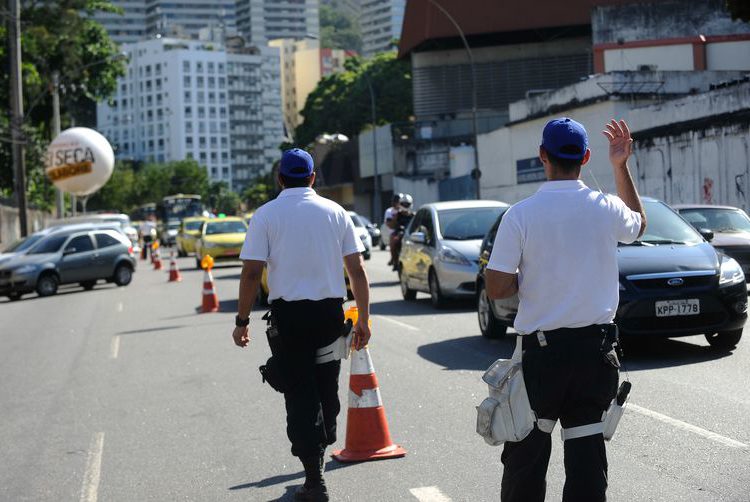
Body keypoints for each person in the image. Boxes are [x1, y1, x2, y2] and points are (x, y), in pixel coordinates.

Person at [485, 118, 646, 502]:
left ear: (543, 155)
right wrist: (620, 167)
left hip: (542, 356)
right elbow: (638, 226)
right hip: (595, 353)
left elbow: (495, 288)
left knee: (526, 460)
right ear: (586, 157)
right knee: (588, 462)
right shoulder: (606, 207)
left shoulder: (520, 215)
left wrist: (534, 280)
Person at [232, 148, 372, 502]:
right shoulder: (336, 212)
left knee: (299, 393)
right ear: (313, 178)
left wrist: (242, 321)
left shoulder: (266, 215)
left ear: (280, 178)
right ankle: (319, 458)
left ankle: (314, 479)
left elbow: (251, 274)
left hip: (290, 321)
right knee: (326, 388)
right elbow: (357, 271)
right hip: (329, 317)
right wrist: (365, 320)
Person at [388, 193, 414, 271]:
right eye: (403, 204)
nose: (405, 205)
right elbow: (391, 225)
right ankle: (394, 260)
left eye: (407, 204)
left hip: (409, 234)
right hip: (398, 233)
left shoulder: (413, 215)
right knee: (393, 240)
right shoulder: (397, 215)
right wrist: (394, 219)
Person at [383, 194, 402, 264]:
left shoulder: (404, 209)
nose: (398, 204)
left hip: (405, 231)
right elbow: (389, 224)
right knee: (393, 240)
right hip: (394, 231)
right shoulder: (389, 211)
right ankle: (393, 258)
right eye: (396, 202)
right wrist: (396, 215)